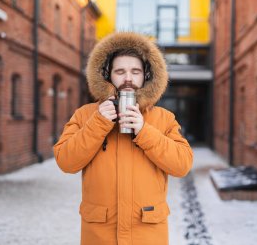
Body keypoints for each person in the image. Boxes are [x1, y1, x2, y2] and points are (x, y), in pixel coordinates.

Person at [53, 32, 193, 245]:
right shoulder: (85, 115)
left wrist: (144, 131)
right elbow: (66, 161)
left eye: (135, 71)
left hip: (147, 236)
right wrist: (98, 123)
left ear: (146, 75)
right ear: (107, 75)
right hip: (100, 236)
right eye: (120, 71)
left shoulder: (163, 118)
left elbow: (182, 165)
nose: (128, 78)